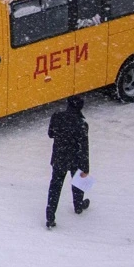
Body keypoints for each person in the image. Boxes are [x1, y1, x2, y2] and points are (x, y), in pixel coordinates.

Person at [46, 95, 91, 228]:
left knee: (55, 187)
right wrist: (85, 168)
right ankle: (78, 206)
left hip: (59, 158)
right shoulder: (82, 124)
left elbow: (51, 134)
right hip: (75, 159)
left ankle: (50, 215)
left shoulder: (57, 117)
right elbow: (84, 148)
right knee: (77, 183)